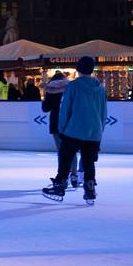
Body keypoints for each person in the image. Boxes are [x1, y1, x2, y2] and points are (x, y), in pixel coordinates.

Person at [44, 58, 108, 205]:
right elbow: (104, 112)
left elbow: (65, 109)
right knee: (89, 161)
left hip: (74, 130)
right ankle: (90, 187)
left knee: (65, 157)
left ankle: (60, 184)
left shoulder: (73, 86)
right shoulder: (100, 88)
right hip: (94, 132)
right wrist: (99, 130)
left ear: (78, 69)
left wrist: (62, 129)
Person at [41, 71, 80, 188]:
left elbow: (45, 108)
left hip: (56, 124)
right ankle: (74, 174)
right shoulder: (71, 88)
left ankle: (62, 177)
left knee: (62, 152)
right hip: (70, 123)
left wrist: (45, 98)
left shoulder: (51, 89)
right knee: (72, 150)